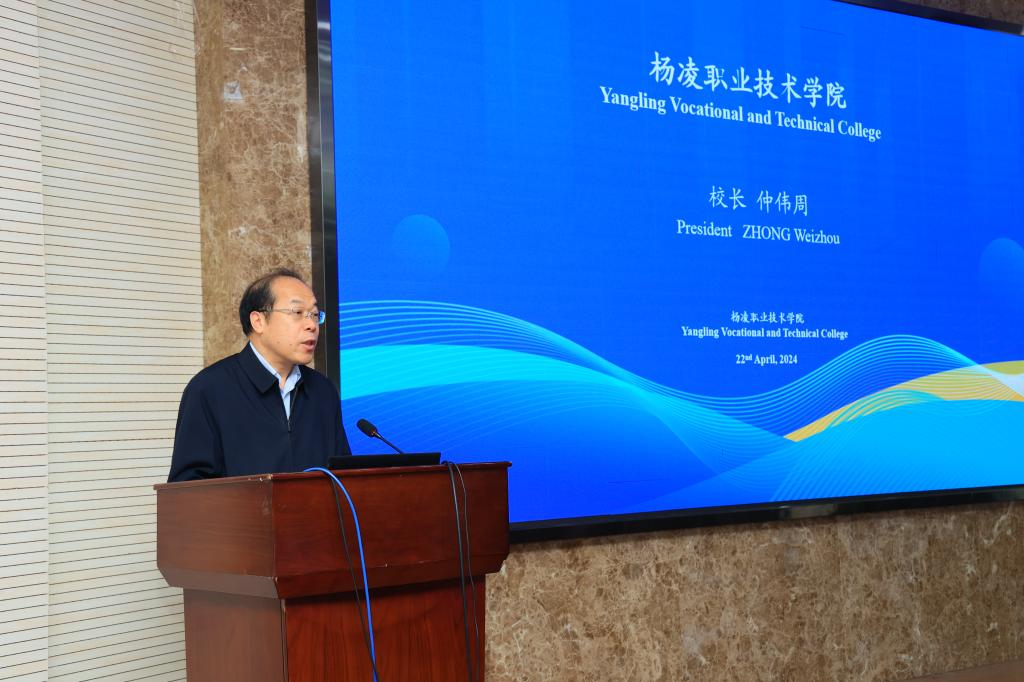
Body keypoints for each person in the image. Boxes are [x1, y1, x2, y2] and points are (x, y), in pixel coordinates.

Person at [168, 268, 351, 482]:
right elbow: (187, 488)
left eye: (314, 314)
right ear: (258, 321)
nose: (311, 325)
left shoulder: (323, 390)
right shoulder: (210, 389)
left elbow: (344, 479)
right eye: (297, 312)